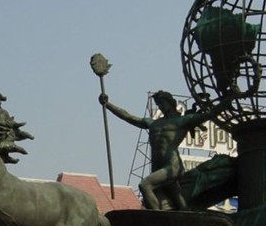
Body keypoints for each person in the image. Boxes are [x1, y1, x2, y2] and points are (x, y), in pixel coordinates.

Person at [99, 90, 230, 210]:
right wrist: (108, 105)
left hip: (172, 166)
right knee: (179, 202)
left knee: (145, 185)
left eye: (162, 103)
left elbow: (210, 114)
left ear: (170, 102)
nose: (160, 106)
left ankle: (157, 219)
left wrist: (229, 99)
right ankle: (187, 218)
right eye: (158, 104)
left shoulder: (182, 121)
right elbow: (129, 117)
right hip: (158, 167)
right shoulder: (153, 123)